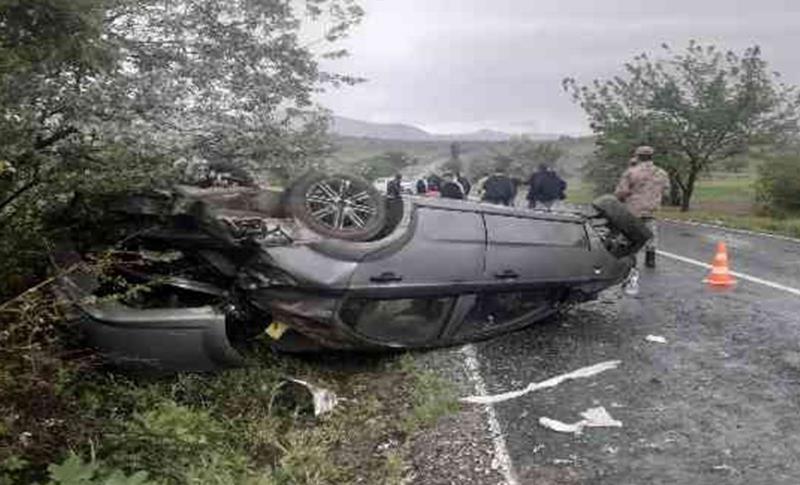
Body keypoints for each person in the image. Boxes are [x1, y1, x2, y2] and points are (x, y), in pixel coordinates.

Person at [615, 146, 670, 268]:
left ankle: (627, 259)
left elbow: (621, 192)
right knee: (651, 234)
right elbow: (666, 193)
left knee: (628, 234)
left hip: (633, 209)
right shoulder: (662, 173)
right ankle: (650, 259)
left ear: (638, 156)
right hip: (651, 210)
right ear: (651, 156)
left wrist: (621, 199)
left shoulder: (630, 172)